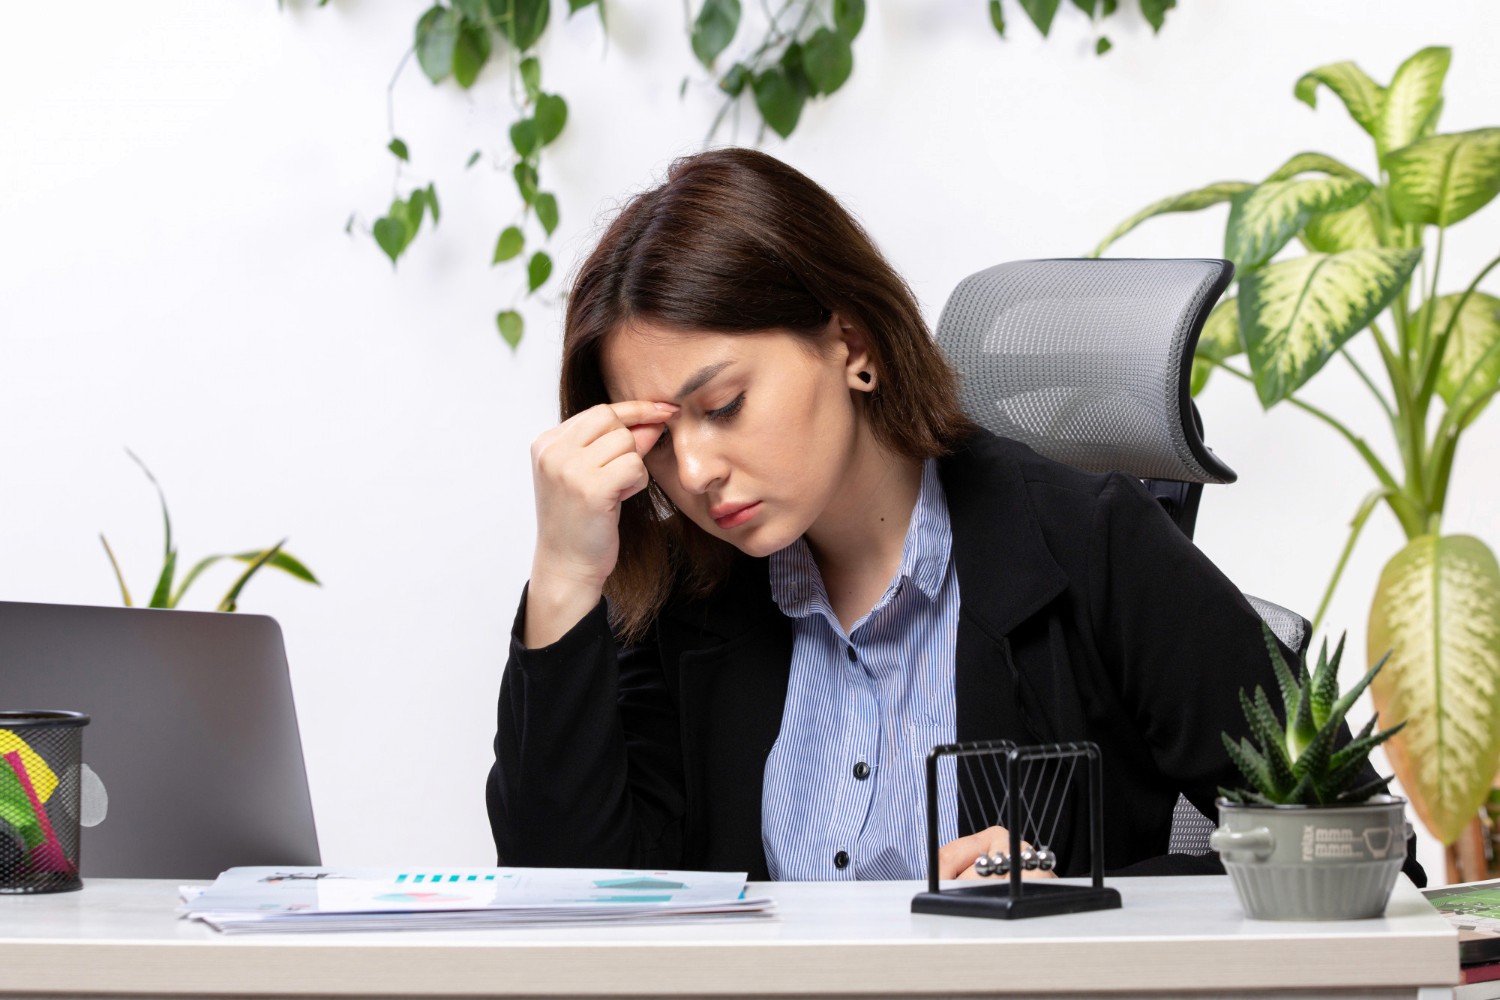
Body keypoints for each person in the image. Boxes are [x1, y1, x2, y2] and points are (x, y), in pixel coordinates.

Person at [486, 147, 1421, 884]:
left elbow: (1361, 858)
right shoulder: (691, 605)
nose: (691, 471)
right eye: (655, 438)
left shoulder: (1087, 542)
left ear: (850, 344)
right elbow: (571, 903)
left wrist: (1078, 898)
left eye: (724, 405)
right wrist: (566, 575)